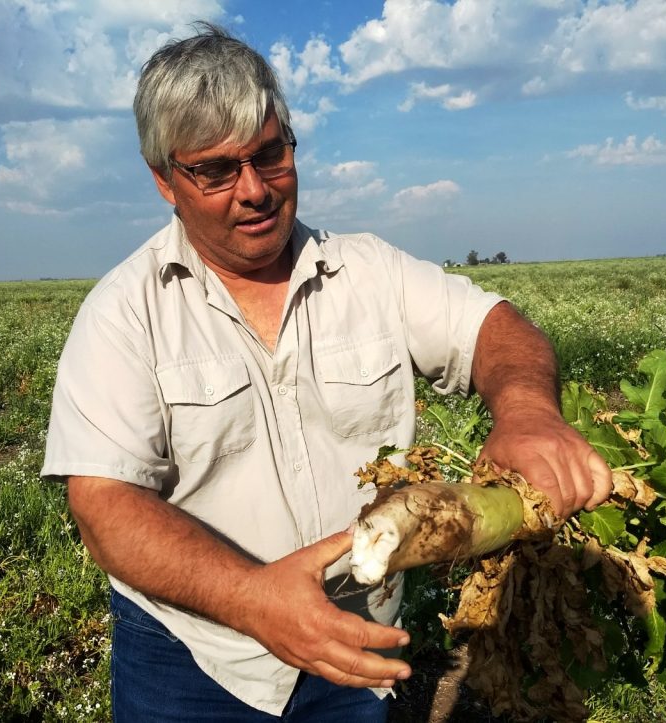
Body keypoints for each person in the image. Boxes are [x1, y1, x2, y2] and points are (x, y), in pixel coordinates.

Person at [41, 22, 613, 722]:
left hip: (353, 641)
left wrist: (527, 411)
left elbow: (494, 327)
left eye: (269, 154)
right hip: (193, 657)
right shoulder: (124, 313)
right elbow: (105, 505)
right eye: (216, 170)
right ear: (165, 180)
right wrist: (250, 598)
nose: (254, 189)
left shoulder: (370, 272)